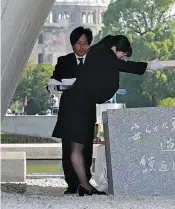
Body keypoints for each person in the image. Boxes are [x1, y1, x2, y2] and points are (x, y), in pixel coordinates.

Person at [52, 34, 163, 196]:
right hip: (78, 105)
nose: (121, 58)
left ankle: (83, 184)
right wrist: (150, 66)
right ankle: (84, 185)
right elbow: (127, 67)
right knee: (76, 148)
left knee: (77, 147)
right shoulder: (104, 54)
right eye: (121, 54)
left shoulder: (98, 52)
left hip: (77, 103)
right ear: (114, 49)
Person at [47, 26, 95, 195]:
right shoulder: (64, 61)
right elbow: (53, 81)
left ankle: (85, 181)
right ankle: (72, 183)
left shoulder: (94, 62)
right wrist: (54, 85)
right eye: (78, 43)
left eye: (85, 43)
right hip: (69, 110)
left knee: (86, 146)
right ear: (72, 44)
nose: (82, 47)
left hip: (87, 110)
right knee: (68, 147)